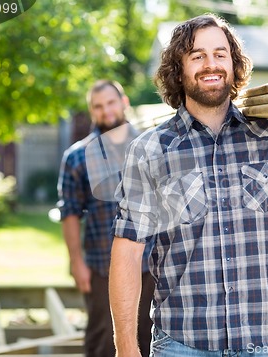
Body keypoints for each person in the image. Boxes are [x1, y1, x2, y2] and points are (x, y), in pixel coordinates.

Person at [109, 14, 268, 357]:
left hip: (264, 344)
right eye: (197, 56)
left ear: (234, 62)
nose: (210, 64)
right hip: (182, 346)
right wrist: (125, 347)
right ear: (178, 69)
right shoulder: (150, 150)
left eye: (220, 53)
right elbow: (127, 252)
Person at [57, 80, 154, 357]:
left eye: (111, 103)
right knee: (102, 338)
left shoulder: (152, 146)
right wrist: (76, 262)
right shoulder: (76, 157)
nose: (106, 111)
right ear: (92, 111)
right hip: (101, 266)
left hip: (150, 265)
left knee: (150, 336)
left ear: (124, 103)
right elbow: (70, 212)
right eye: (98, 106)